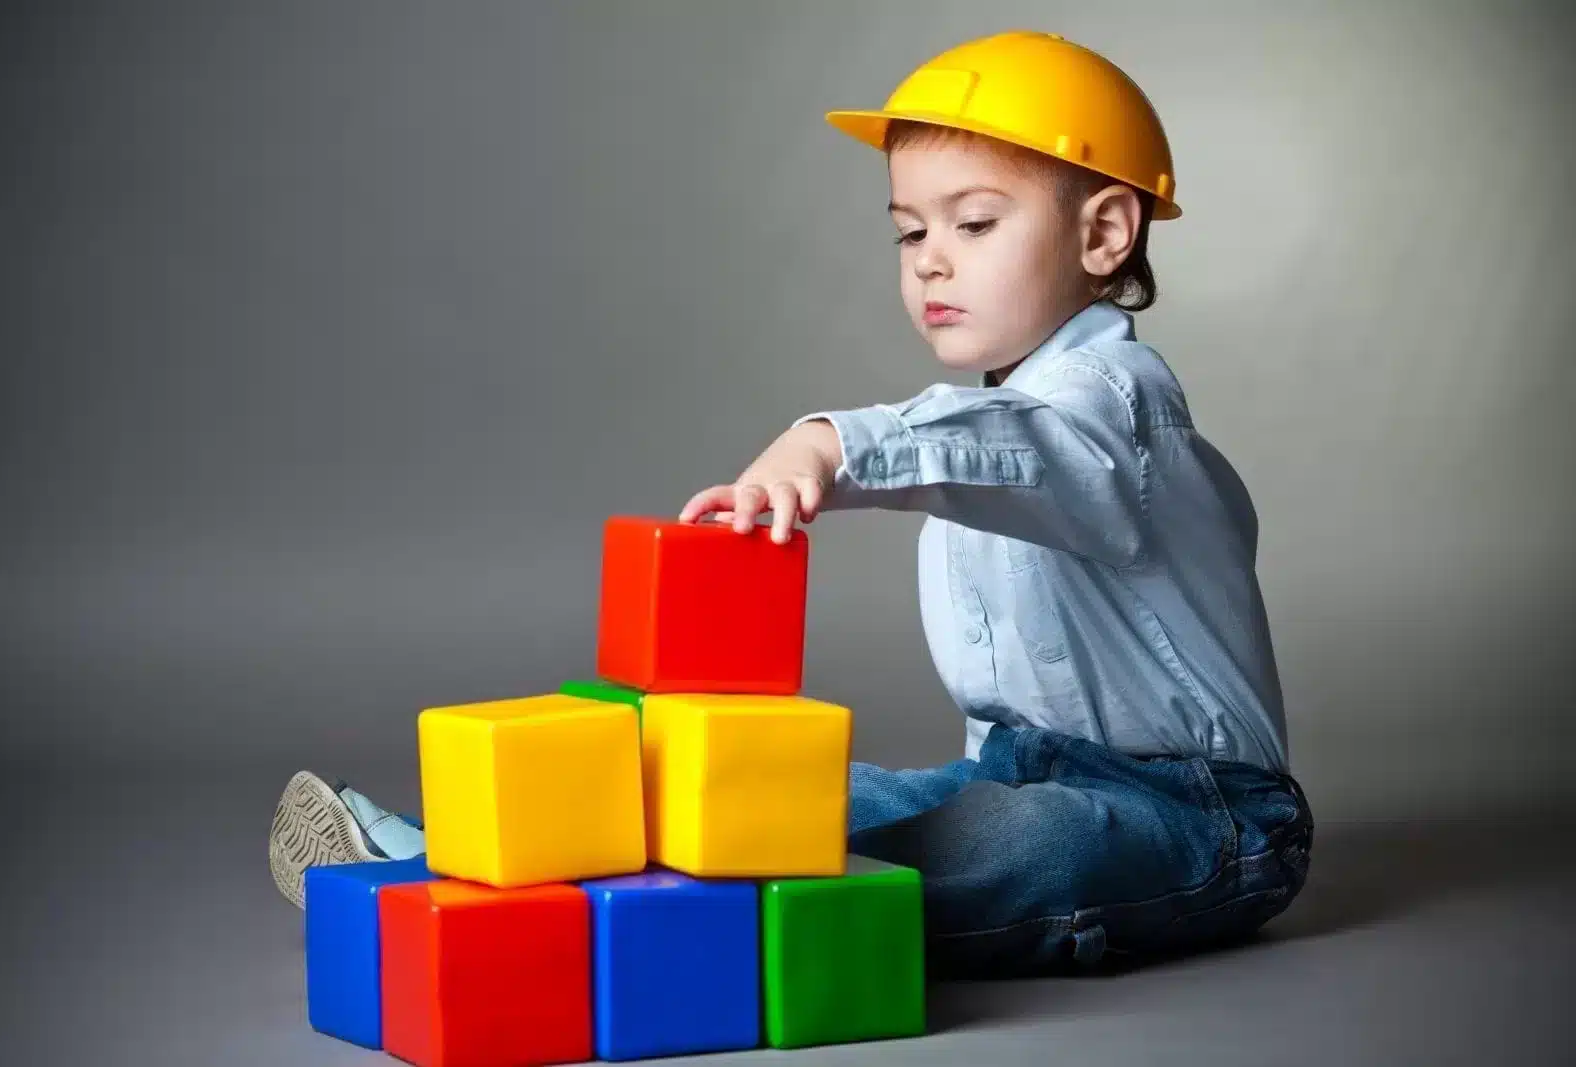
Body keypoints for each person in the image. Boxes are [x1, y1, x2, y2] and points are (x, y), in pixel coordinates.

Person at [270, 29, 1312, 977]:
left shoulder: (1116, 408)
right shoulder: (988, 424)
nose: (931, 259)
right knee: (783, 794)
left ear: (1104, 234)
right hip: (1011, 766)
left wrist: (833, 442)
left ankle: (631, 929)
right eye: (909, 233)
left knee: (1020, 848)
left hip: (1201, 814)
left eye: (975, 222)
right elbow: (982, 448)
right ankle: (447, 860)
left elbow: (1018, 450)